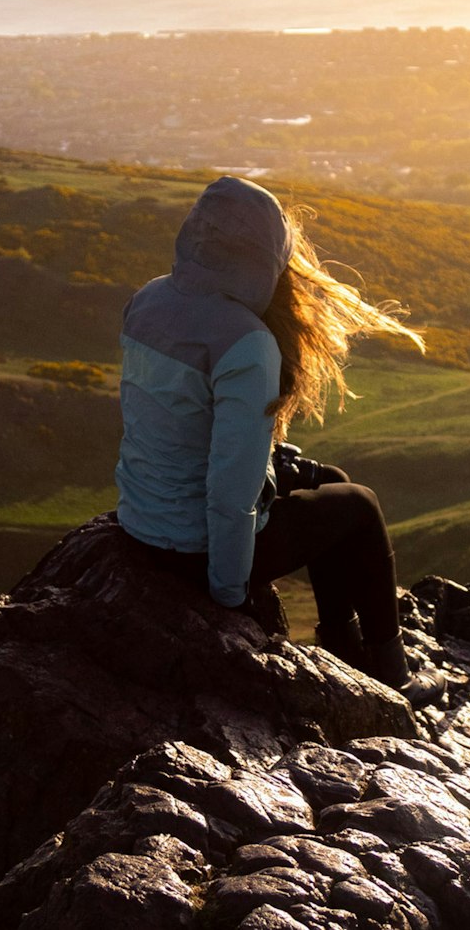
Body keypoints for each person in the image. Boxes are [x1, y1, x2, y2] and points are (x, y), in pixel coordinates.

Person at [115, 173, 446, 709]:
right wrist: (229, 596)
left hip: (141, 526)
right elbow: (229, 492)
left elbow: (171, 426)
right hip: (193, 551)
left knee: (332, 482)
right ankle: (393, 674)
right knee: (360, 506)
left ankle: (344, 644)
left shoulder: (149, 298)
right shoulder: (245, 341)